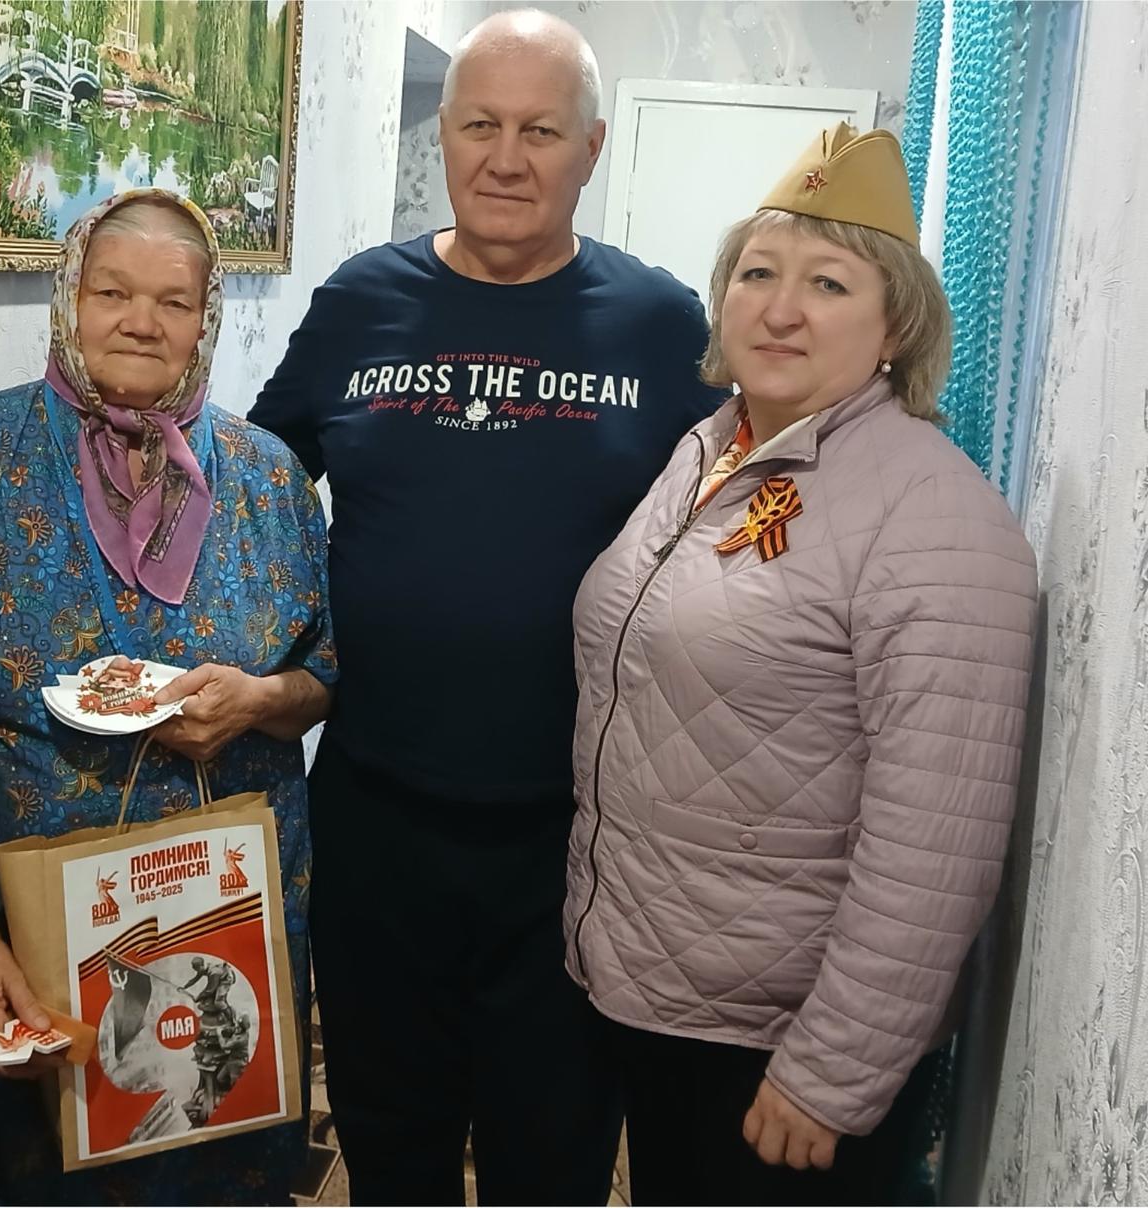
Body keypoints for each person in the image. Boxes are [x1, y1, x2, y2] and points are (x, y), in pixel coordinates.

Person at [248, 9, 724, 1204]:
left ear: (591, 148)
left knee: (550, 1156)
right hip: (375, 810)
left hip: (578, 830)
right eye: (479, 126)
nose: (505, 159)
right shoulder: (360, 299)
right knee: (388, 1140)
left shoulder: (662, 325)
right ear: (446, 137)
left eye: (540, 131)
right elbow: (254, 492)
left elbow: (741, 520)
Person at [565, 121, 1041, 1204]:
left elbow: (935, 840)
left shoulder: (934, 516)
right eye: (757, 273)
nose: (780, 308)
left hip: (776, 1045)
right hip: (660, 994)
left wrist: (832, 1070)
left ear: (895, 326)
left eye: (827, 283)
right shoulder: (710, 446)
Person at [0, 188, 335, 1204]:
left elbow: (327, 671)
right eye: (111, 292)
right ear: (69, 298)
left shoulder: (270, 478)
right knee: (40, 1159)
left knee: (211, 1149)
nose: (141, 322)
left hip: (224, 910)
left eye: (173, 301)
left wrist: (259, 699)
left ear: (207, 316)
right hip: (30, 920)